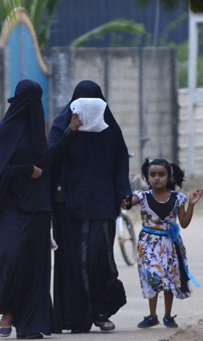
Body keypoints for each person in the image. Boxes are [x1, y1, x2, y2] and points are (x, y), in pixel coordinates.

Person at [47, 80, 130, 333]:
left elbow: (120, 163)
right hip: (69, 205)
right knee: (73, 262)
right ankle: (74, 318)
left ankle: (101, 310)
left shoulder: (110, 129)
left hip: (103, 204)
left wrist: (123, 193)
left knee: (99, 258)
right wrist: (70, 131)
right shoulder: (63, 124)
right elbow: (51, 159)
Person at [0, 79, 52, 340]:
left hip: (38, 207)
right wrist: (26, 169)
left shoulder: (39, 133)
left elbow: (48, 166)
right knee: (11, 256)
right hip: (10, 208)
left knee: (34, 265)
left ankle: (30, 324)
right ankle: (7, 310)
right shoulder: (4, 132)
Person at [122, 158, 203, 329]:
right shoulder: (142, 196)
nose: (157, 178)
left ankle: (167, 315)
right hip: (148, 245)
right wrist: (125, 200)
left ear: (169, 176)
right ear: (147, 177)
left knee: (169, 279)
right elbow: (128, 203)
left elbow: (184, 223)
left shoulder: (179, 198)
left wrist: (191, 205)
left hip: (171, 244)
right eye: (152, 175)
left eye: (161, 174)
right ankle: (152, 315)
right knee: (152, 276)